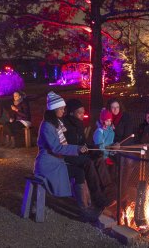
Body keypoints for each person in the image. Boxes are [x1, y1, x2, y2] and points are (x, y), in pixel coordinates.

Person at [34, 91, 100, 221]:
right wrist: (77, 149)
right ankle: (85, 210)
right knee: (79, 171)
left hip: (56, 161)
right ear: (54, 109)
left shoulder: (56, 123)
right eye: (61, 108)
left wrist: (82, 148)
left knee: (80, 171)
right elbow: (56, 148)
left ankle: (87, 207)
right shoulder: (48, 126)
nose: (64, 111)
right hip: (49, 164)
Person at [63, 99, 116, 208]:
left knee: (99, 158)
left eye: (83, 112)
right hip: (70, 155)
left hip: (80, 152)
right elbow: (66, 146)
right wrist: (80, 149)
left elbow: (83, 142)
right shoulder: (66, 125)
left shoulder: (79, 124)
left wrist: (94, 148)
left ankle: (109, 192)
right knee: (88, 163)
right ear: (72, 113)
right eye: (80, 113)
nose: (83, 115)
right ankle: (98, 198)